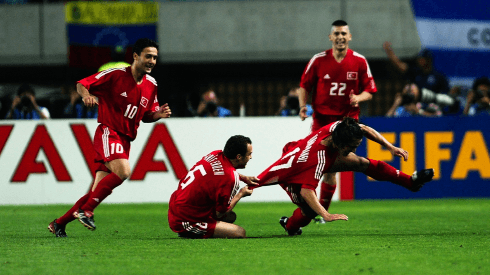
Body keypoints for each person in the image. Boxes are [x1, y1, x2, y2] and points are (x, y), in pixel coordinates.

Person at [48, 38, 171, 237]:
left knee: (94, 193)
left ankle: (59, 224)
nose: (152, 61)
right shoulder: (116, 74)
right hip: (109, 131)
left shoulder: (152, 84)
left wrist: (157, 115)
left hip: (125, 140)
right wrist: (86, 95)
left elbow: (146, 114)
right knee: (123, 171)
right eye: (148, 56)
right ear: (135, 56)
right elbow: (82, 83)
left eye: (155, 58)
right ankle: (86, 211)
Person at [251, 117, 434, 236]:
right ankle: (289, 225)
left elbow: (365, 128)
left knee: (361, 162)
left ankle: (410, 182)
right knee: (309, 211)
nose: (354, 149)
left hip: (313, 156)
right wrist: (326, 214)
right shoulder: (319, 157)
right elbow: (307, 191)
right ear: (339, 143)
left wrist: (391, 147)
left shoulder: (341, 128)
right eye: (351, 146)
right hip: (294, 171)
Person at [297, 20, 377, 220]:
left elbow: (370, 91)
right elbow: (304, 85)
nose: (340, 37)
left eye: (344, 33)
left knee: (332, 167)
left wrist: (359, 97)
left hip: (347, 123)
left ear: (349, 37)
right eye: (337, 33)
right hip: (322, 121)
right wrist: (302, 106)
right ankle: (317, 211)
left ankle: (321, 213)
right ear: (330, 37)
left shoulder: (359, 61)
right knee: (318, 165)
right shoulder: (318, 60)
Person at [168, 135, 258, 239]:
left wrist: (243, 178)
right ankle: (189, 231)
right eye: (249, 154)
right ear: (238, 157)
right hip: (185, 219)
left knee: (231, 217)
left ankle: (202, 228)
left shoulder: (215, 154)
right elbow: (220, 213)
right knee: (240, 233)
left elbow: (218, 172)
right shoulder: (230, 178)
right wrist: (241, 194)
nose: (251, 157)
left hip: (175, 206)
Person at [383, 42, 450, 95]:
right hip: (416, 108)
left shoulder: (438, 77)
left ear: (428, 60)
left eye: (421, 59)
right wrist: (390, 53)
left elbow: (445, 94)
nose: (418, 61)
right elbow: (400, 65)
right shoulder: (415, 72)